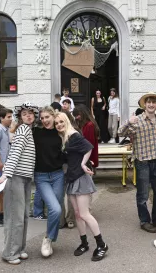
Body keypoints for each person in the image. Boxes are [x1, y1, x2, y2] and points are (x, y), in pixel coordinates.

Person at [55, 112, 108, 261]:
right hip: (71, 178)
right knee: (77, 214)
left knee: (84, 214)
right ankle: (84, 243)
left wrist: (83, 164)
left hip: (80, 178)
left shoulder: (74, 135)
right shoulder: (65, 138)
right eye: (56, 123)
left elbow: (89, 147)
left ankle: (101, 245)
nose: (59, 125)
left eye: (61, 122)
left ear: (66, 121)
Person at [0, 102, 38, 265]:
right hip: (16, 177)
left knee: (23, 216)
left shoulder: (27, 130)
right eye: (25, 114)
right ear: (20, 117)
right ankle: (10, 253)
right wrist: (6, 174)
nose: (28, 116)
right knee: (15, 217)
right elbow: (15, 152)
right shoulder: (23, 129)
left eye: (31, 113)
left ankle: (19, 249)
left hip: (25, 178)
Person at [118, 92, 156, 233]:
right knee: (143, 194)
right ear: (144, 105)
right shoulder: (137, 120)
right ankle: (145, 220)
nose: (151, 104)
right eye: (148, 102)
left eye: (153, 102)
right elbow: (120, 133)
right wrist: (128, 122)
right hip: (143, 162)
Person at [33, 106, 66, 257]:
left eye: (47, 117)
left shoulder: (60, 132)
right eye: (42, 118)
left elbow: (69, 150)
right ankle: (48, 239)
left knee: (56, 210)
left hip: (58, 175)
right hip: (41, 177)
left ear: (53, 116)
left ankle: (49, 238)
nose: (45, 120)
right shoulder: (36, 132)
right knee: (56, 209)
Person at [73, 104, 100, 171]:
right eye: (75, 116)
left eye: (77, 115)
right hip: (87, 159)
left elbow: (88, 145)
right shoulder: (86, 124)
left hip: (88, 159)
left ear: (83, 113)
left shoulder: (89, 125)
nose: (76, 117)